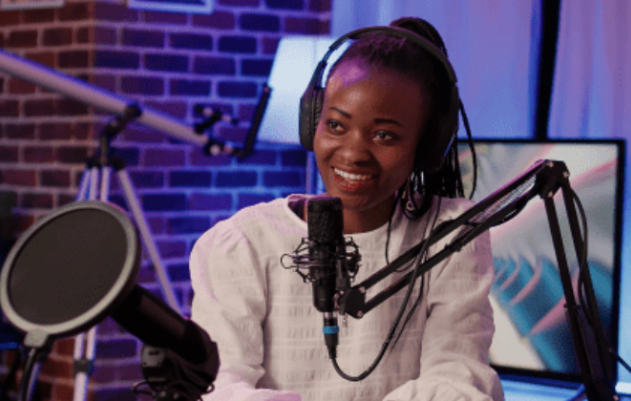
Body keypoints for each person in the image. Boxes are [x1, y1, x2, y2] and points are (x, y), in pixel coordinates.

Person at [189, 17, 504, 401]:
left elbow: (459, 378)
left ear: (426, 146)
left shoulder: (449, 236)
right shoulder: (243, 244)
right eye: (337, 126)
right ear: (312, 124)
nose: (354, 153)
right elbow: (220, 387)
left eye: (384, 135)